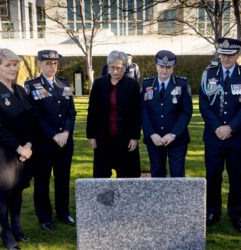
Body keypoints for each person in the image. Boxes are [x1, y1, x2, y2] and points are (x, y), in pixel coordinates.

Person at [199, 38, 241, 232]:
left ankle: (235, 213)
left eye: (230, 54)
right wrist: (218, 127)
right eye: (223, 54)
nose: (226, 58)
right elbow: (204, 105)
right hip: (213, 136)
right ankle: (213, 211)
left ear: (237, 55)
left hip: (237, 137)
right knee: (213, 175)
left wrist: (230, 128)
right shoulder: (209, 74)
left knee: (236, 177)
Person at [0, 48, 33, 249]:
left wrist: (28, 145)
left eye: (15, 64)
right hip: (5, 152)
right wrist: (19, 148)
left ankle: (17, 228)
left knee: (18, 191)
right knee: (4, 194)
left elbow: (31, 121)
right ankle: (6, 234)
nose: (13, 69)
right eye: (8, 65)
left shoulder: (20, 90)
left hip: (24, 151)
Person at [24, 50, 76, 231]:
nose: (52, 66)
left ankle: (63, 213)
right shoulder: (31, 86)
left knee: (63, 179)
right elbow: (35, 116)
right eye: (48, 63)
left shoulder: (64, 84)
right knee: (42, 182)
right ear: (39, 64)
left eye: (55, 63)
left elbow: (71, 111)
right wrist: (53, 135)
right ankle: (44, 217)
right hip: (44, 144)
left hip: (64, 144)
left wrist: (67, 131)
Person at [87, 50, 141, 178]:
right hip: (103, 139)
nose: (115, 71)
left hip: (125, 139)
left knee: (128, 178)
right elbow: (92, 111)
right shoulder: (99, 84)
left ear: (125, 67)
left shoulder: (132, 84)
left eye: (119, 68)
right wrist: (91, 136)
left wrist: (134, 137)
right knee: (101, 178)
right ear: (107, 66)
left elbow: (136, 113)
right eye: (112, 68)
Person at [141, 50, 193, 177]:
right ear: (156, 66)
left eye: (168, 67)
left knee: (177, 175)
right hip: (155, 139)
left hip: (177, 138)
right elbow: (143, 111)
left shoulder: (182, 84)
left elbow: (186, 112)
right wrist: (152, 134)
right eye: (161, 66)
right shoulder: (147, 83)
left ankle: (177, 198)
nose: (164, 70)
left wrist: (173, 134)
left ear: (173, 67)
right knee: (157, 174)